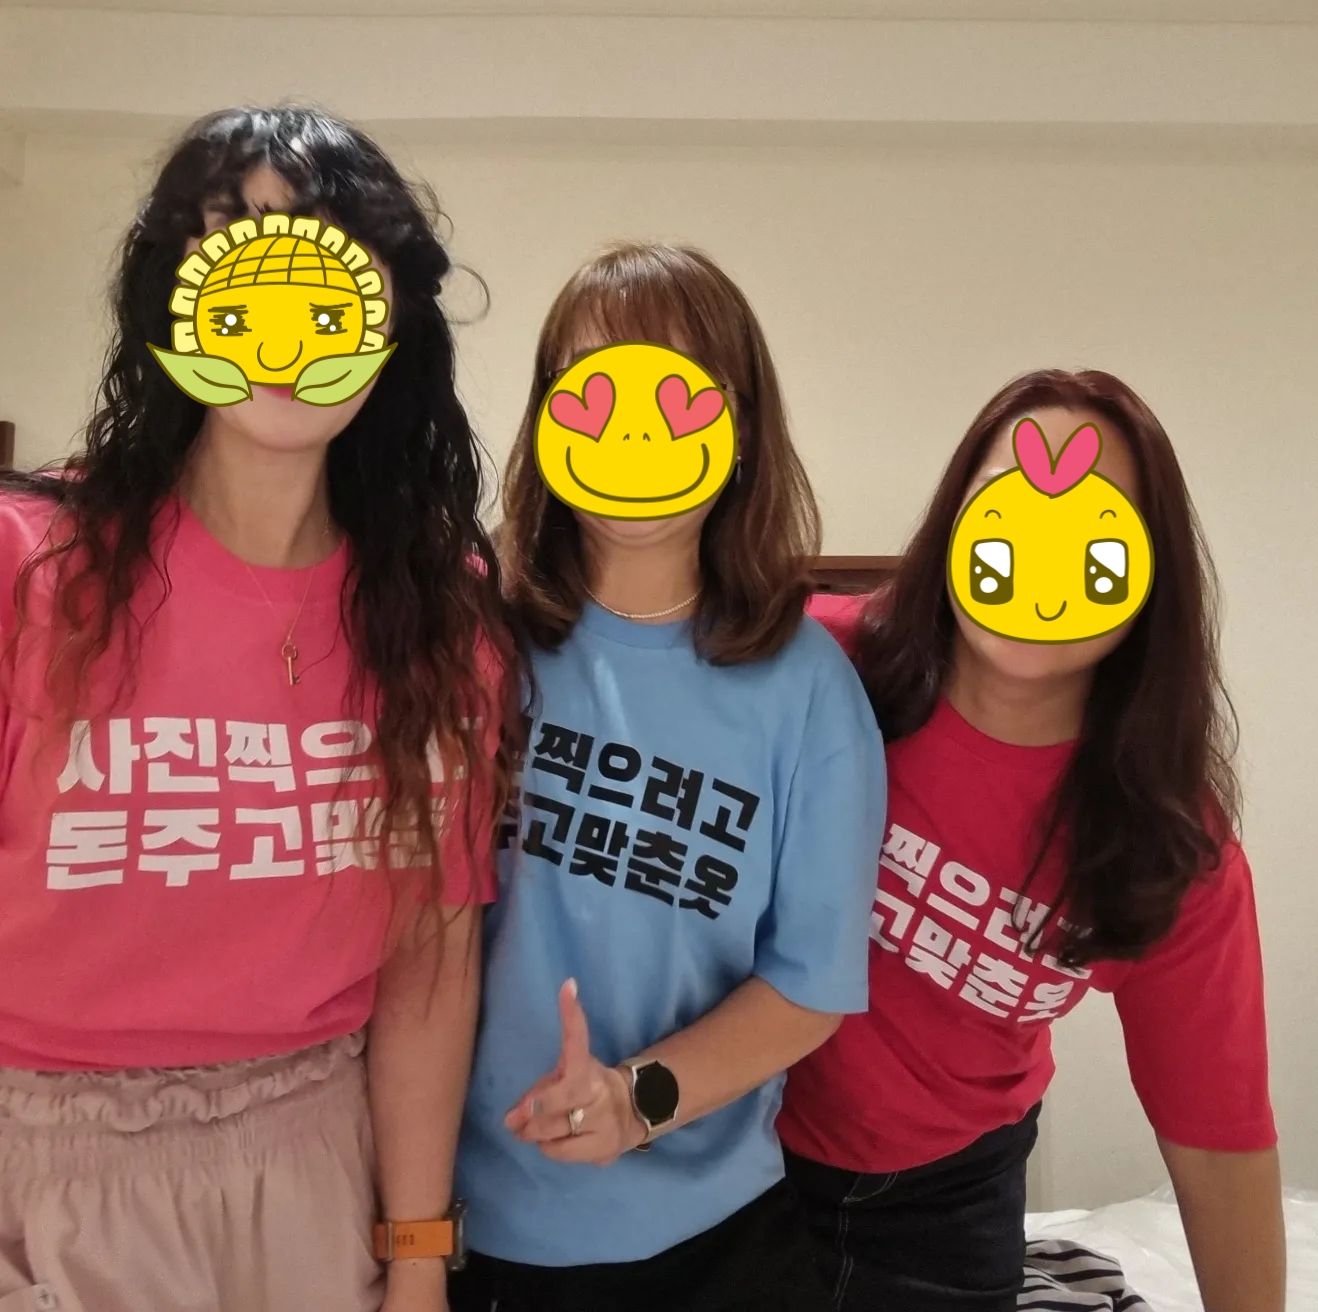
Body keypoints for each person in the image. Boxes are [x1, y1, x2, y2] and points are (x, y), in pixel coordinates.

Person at [0, 106, 521, 1312]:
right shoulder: (30, 568)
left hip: (315, 1160)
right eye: (238, 244)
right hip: (40, 1159)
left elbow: (429, 966)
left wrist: (418, 1261)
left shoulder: (439, 615)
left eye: (327, 257)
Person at [780, 369, 1285, 1312]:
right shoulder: (819, 664)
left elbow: (1218, 1138)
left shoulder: (1168, 844)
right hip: (736, 1151)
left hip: (948, 1199)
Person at [448, 243, 887, 1312]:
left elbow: (808, 984)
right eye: (596, 393)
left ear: (740, 429)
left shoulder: (809, 687)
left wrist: (637, 1099)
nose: (634, 435)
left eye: (677, 396)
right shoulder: (471, 639)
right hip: (464, 1230)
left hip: (713, 1247)